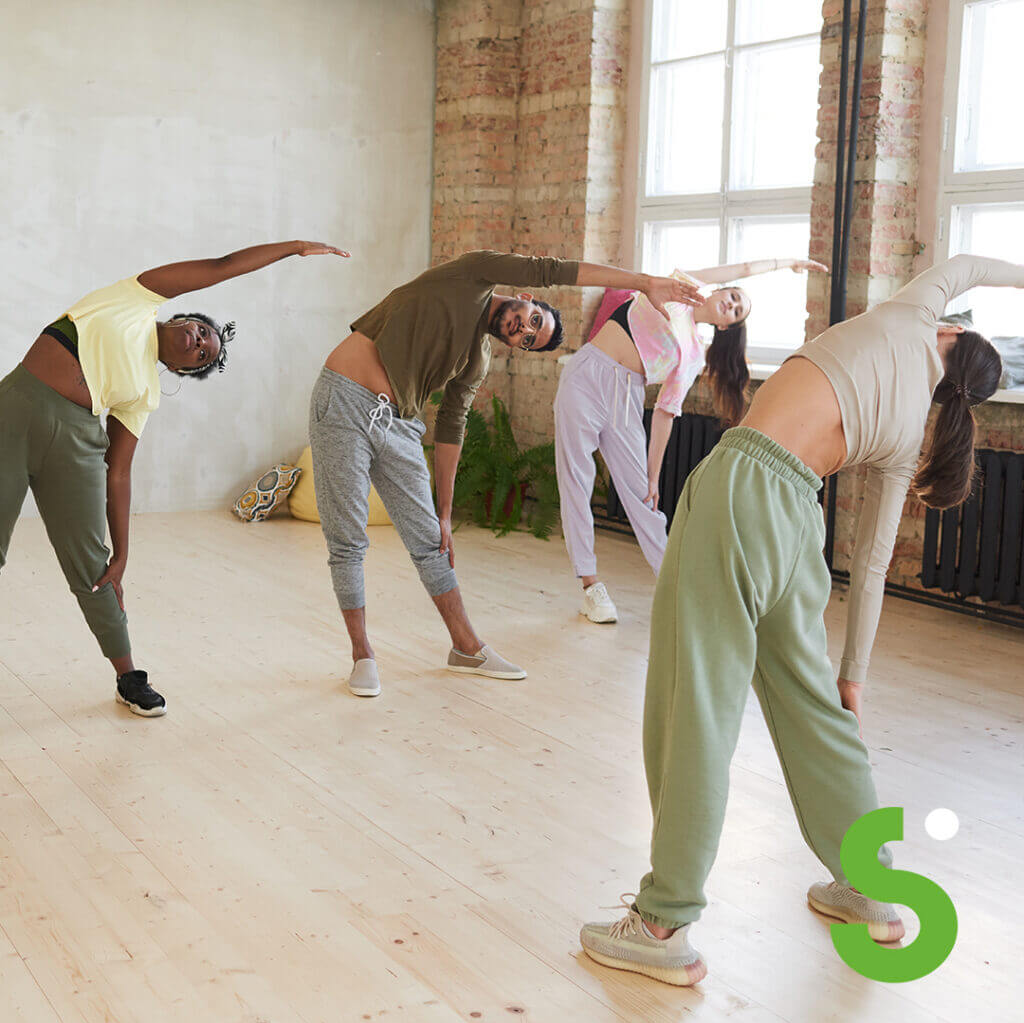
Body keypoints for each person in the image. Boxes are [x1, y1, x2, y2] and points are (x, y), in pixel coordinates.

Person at [578, 253, 1019, 985]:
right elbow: (871, 566)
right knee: (817, 714)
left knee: (696, 700)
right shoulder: (912, 432)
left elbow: (970, 265)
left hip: (741, 483)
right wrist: (851, 677)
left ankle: (662, 920)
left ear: (948, 333)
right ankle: (871, 889)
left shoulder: (910, 315)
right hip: (794, 520)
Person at [309, 249, 702, 697]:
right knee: (347, 538)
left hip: (398, 423)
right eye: (534, 321)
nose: (526, 331)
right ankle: (363, 655)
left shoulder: (476, 359)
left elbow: (452, 426)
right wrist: (644, 281)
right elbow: (557, 270)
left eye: (531, 340)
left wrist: (445, 512)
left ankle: (466, 648)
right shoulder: (473, 275)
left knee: (433, 545)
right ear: (526, 297)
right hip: (343, 399)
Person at [0, 240, 349, 716]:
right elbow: (221, 267)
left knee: (94, 569)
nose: (200, 342)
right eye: (202, 331)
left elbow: (118, 472)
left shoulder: (144, 392)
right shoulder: (136, 298)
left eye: (204, 354)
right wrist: (291, 249)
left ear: (184, 368)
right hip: (16, 410)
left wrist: (122, 552)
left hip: (76, 443)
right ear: (183, 317)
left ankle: (128, 676)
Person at [554, 257, 827, 624]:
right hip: (588, 376)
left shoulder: (693, 355)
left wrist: (652, 477)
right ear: (717, 291)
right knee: (576, 482)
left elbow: (666, 413)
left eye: (736, 310)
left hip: (627, 396)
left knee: (645, 502)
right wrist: (784, 263)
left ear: (727, 325)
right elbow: (741, 269)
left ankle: (677, 584)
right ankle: (590, 586)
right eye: (731, 296)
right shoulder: (676, 290)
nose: (730, 304)